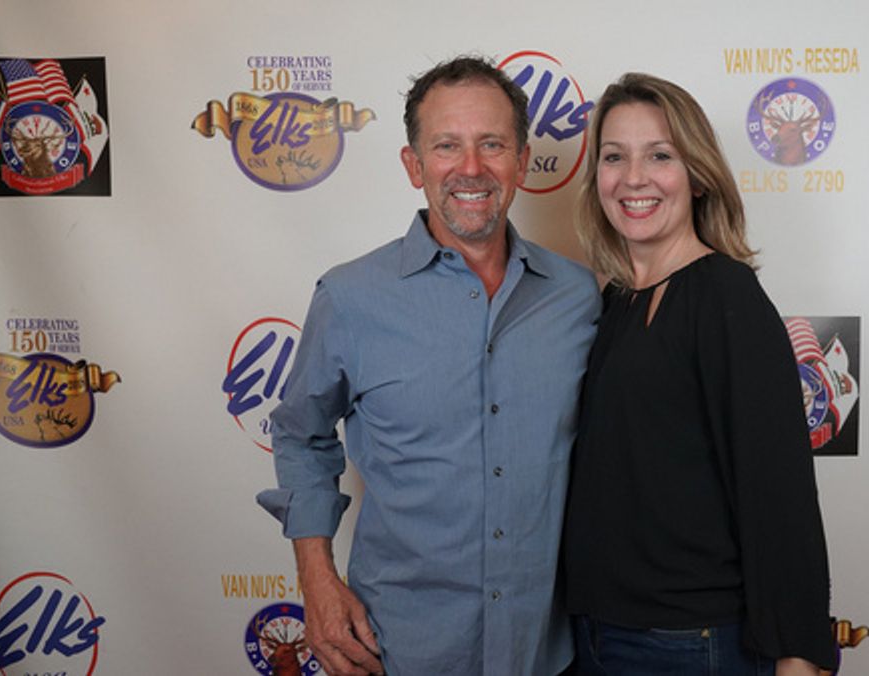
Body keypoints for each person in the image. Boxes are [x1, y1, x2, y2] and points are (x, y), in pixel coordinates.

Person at [257, 56, 600, 676]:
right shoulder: (351, 298)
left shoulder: (578, 297)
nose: (471, 168)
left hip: (546, 654)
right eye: (446, 146)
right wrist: (317, 579)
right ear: (414, 165)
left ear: (523, 161)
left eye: (492, 144)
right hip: (400, 649)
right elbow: (300, 434)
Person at [562, 73, 836, 675]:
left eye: (660, 155)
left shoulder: (726, 297)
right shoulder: (615, 301)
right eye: (614, 157)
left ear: (698, 174)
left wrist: (798, 654)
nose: (634, 178)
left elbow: (778, 490)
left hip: (692, 642)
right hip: (597, 633)